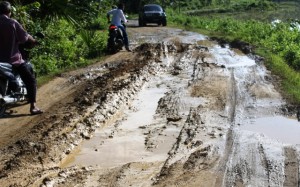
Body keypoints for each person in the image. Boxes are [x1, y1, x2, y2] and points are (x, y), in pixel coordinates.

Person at [0, 1, 43, 115]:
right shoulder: (12, 23)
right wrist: (33, 41)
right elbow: (25, 38)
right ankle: (33, 106)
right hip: (11, 59)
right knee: (30, 80)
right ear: (9, 12)